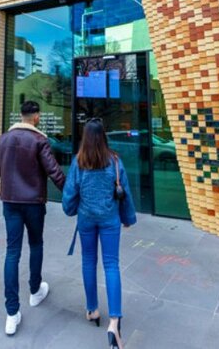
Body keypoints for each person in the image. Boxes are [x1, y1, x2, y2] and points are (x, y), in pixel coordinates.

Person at [0, 101, 66, 336]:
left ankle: (12, 314)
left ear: (21, 116)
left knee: (12, 253)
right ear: (36, 117)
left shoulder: (3, 140)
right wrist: (72, 196)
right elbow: (55, 172)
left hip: (10, 203)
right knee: (36, 244)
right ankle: (35, 291)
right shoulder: (39, 140)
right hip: (33, 203)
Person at [62, 118, 136, 349]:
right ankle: (114, 321)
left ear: (85, 137)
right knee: (112, 265)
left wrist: (70, 208)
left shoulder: (79, 161)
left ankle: (92, 309)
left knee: (88, 262)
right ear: (104, 136)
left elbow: (70, 193)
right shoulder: (114, 160)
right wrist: (128, 218)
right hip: (109, 219)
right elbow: (124, 191)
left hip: (86, 219)